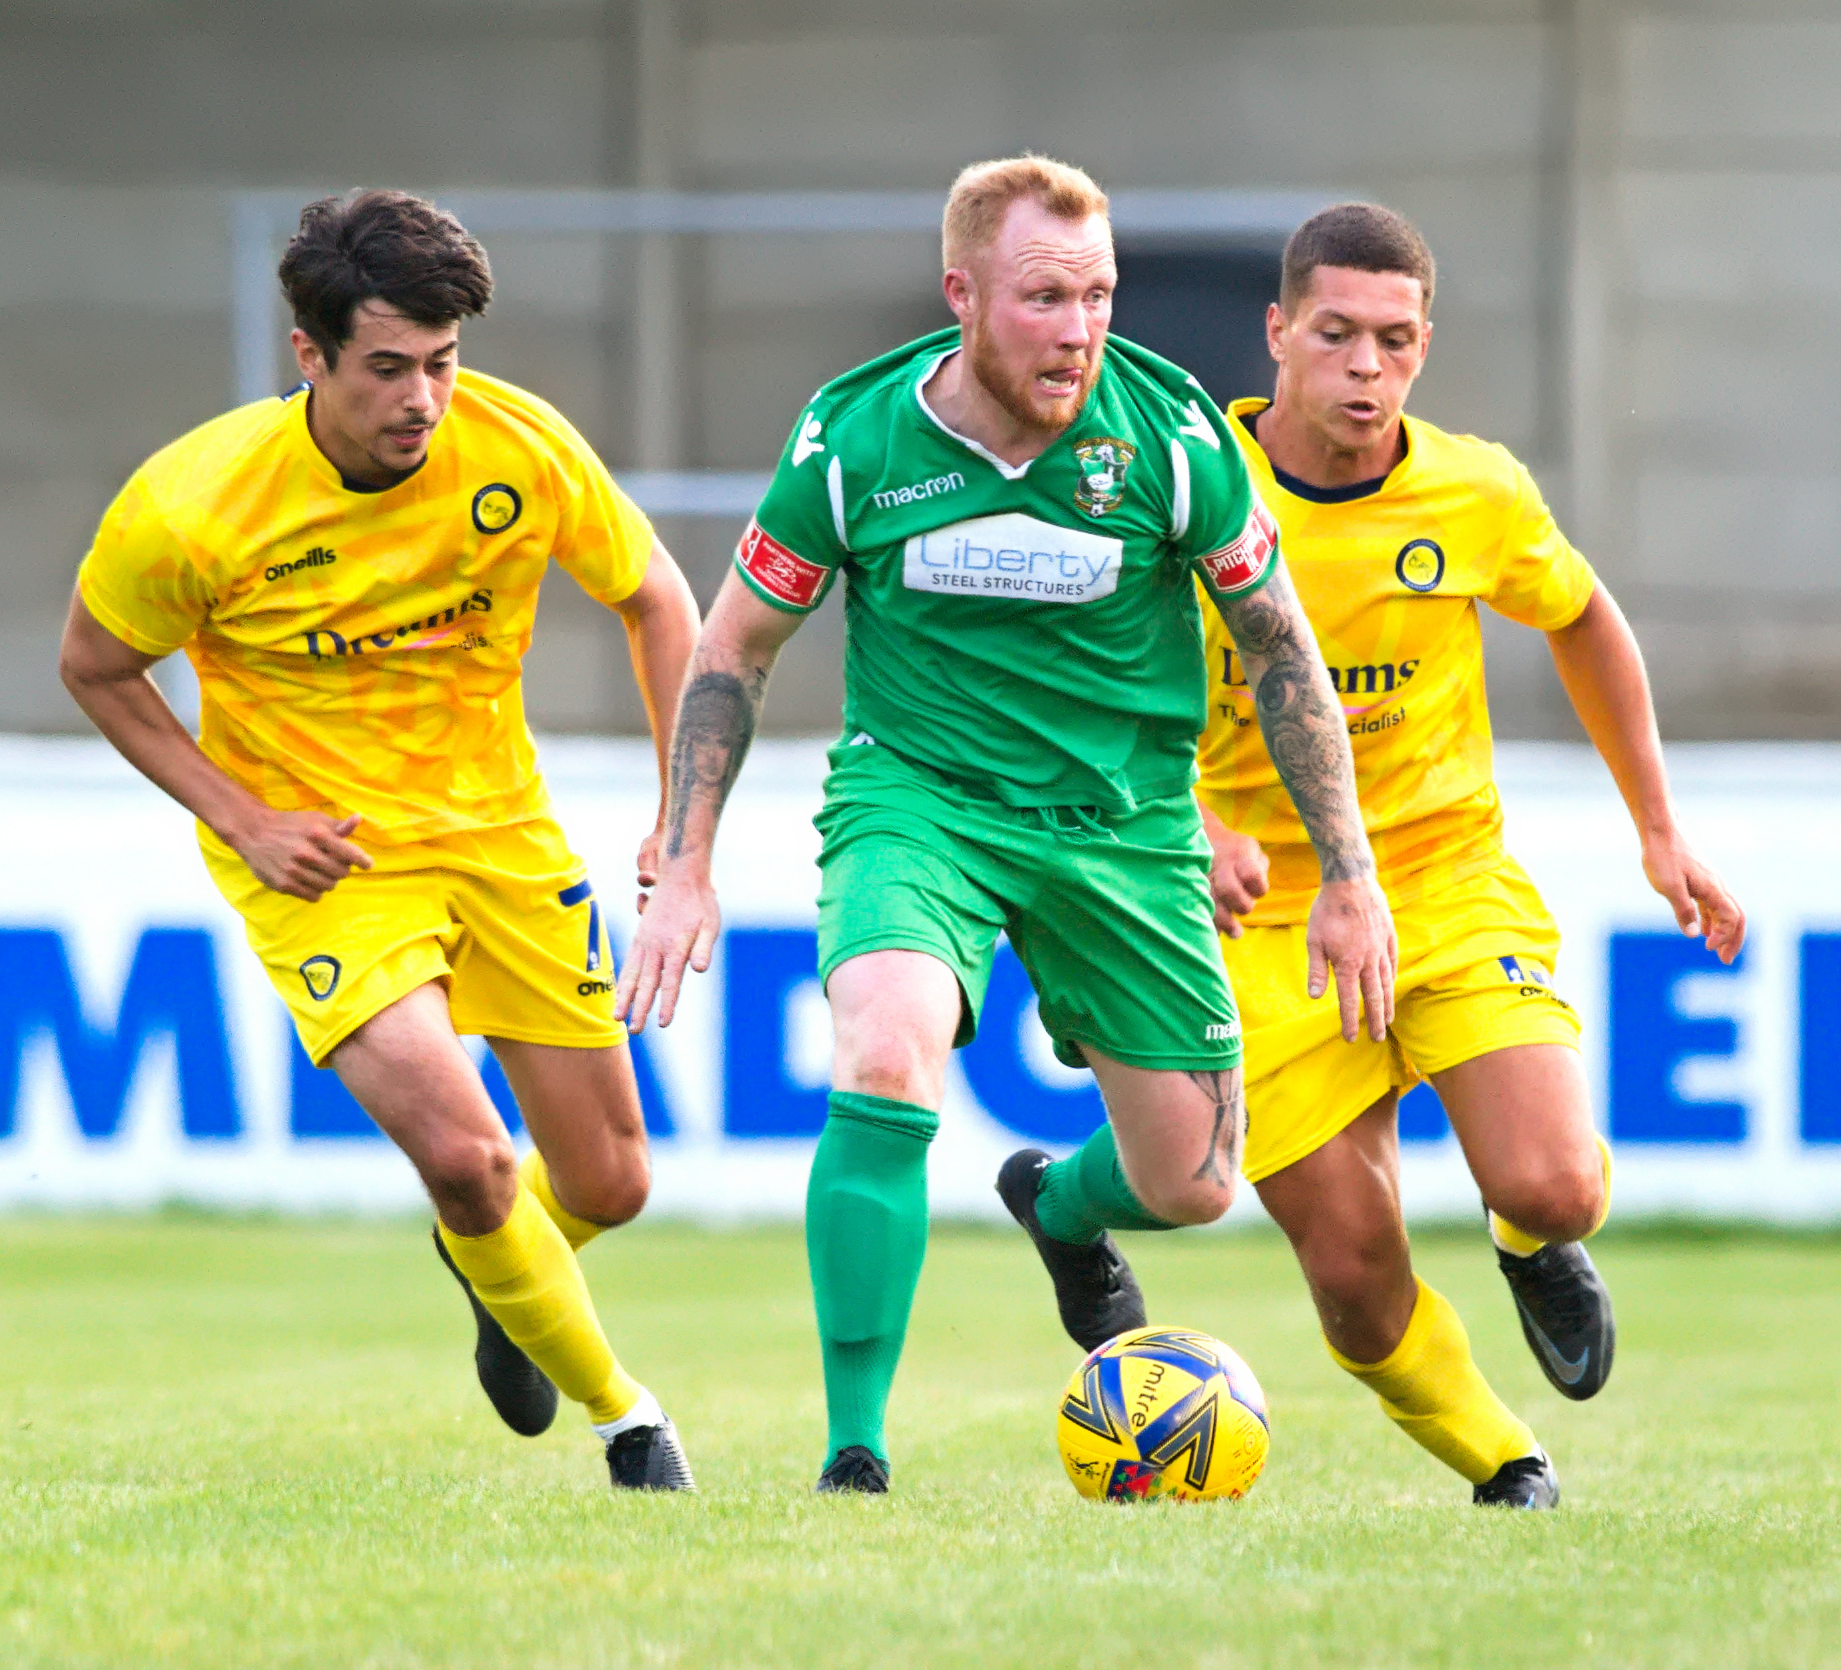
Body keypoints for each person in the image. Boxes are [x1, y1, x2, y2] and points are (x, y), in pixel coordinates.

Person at [618, 155, 1394, 1493]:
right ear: (962, 295)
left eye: (1099, 294)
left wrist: (1349, 872)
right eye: (1046, 298)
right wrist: (682, 860)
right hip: (920, 803)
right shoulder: (853, 440)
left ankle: (1059, 1200)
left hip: (1125, 824)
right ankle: (852, 1448)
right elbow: (738, 643)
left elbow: (1280, 646)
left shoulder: (1171, 435)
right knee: (885, 1056)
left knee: (1198, 1180)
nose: (1082, 328)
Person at [58, 189, 702, 1489]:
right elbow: (95, 664)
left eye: (445, 364)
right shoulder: (193, 506)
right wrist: (243, 815)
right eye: (391, 368)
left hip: (502, 834)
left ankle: (496, 1265)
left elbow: (657, 596)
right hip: (324, 857)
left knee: (613, 1180)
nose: (424, 399)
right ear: (311, 355)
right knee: (472, 1157)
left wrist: (680, 829)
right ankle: (629, 1420)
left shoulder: (516, 448)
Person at [1184, 202, 1746, 1507]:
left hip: (1442, 878)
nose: (1364, 366)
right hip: (1262, 914)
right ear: (1279, 332)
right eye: (1335, 334)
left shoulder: (1476, 491)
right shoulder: (1189, 481)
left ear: (1424, 344)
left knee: (1558, 1181)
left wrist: (1659, 829)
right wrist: (1182, 812)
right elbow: (1083, 666)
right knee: (1351, 1262)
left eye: (1392, 339)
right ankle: (1509, 1462)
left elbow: (1586, 618)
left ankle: (1523, 1234)